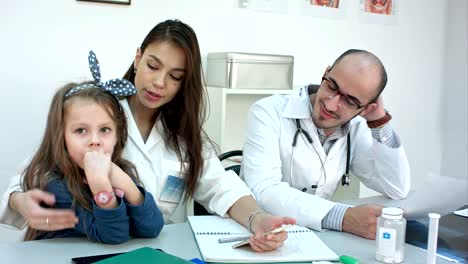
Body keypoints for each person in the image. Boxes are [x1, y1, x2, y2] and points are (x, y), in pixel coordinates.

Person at [1, 19, 295, 252]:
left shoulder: (183, 136)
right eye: (153, 65)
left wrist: (259, 219)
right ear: (138, 57)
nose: (159, 82)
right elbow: (37, 170)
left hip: (154, 250)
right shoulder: (99, 114)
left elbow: (221, 187)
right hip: (85, 248)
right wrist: (20, 200)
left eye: (175, 76)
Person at [241, 49, 410, 240]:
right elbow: (263, 189)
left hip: (314, 237)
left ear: (366, 108)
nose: (331, 104)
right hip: (259, 234)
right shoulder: (268, 111)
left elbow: (396, 188)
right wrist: (343, 218)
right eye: (332, 86)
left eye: (350, 100)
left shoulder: (356, 128)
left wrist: (379, 122)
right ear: (326, 73)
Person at [20, 51, 164, 244]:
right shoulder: (55, 185)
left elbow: (152, 227)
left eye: (105, 129)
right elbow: (113, 235)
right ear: (61, 137)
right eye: (81, 130)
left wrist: (127, 184)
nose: (94, 141)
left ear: (117, 136)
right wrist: (101, 186)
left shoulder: (121, 172)